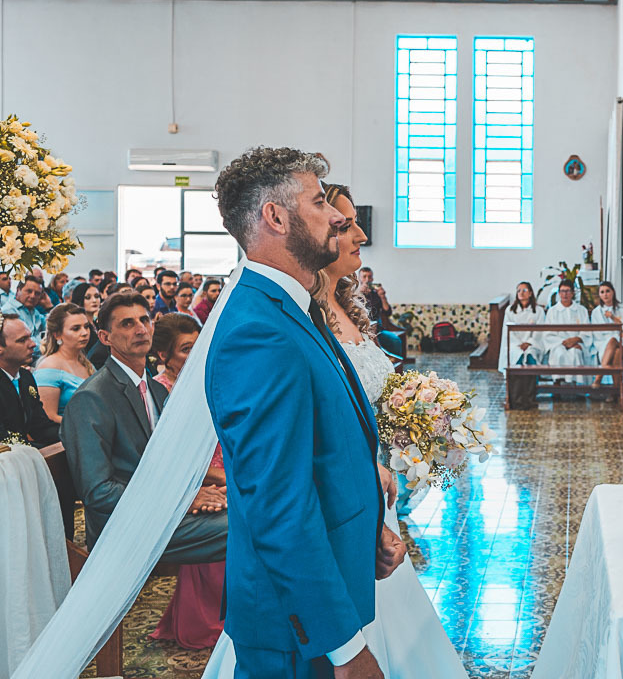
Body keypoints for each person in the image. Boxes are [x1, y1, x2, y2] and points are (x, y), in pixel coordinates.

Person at [205, 180, 465, 677]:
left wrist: (371, 530)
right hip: (297, 627)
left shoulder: (295, 306)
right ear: (276, 218)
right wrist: (346, 650)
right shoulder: (258, 331)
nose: (341, 220)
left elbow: (325, 448)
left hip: (336, 578)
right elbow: (279, 504)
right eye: (320, 203)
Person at [60, 292, 228, 558]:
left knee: (253, 509)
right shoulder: (92, 398)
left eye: (144, 320)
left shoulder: (154, 389)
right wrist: (182, 501)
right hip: (125, 525)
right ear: (105, 337)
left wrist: (203, 488)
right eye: (127, 324)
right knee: (245, 527)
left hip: (160, 509)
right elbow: (99, 493)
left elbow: (168, 461)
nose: (140, 329)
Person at [148, 312, 227, 649]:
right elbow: (172, 454)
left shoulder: (203, 379)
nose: (194, 356)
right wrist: (220, 476)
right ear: (163, 355)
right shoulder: (160, 390)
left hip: (220, 464)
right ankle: (205, 618)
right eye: (184, 350)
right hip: (191, 477)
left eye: (198, 347)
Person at [0, 314, 59, 447]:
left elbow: (40, 426)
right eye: (22, 340)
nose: (33, 344)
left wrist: (70, 435)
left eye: (30, 336)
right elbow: (4, 440)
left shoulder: (26, 377)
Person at [34, 303, 96, 424]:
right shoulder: (49, 367)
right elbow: (49, 417)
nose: (84, 333)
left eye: (86, 326)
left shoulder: (86, 363)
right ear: (57, 334)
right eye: (76, 328)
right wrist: (87, 424)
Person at [500, 281, 544, 407]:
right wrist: (519, 344)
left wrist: (529, 343)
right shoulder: (510, 310)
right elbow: (507, 331)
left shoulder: (538, 311)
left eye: (524, 290)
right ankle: (515, 398)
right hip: (514, 345)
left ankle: (530, 398)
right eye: (519, 290)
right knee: (516, 358)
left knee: (530, 358)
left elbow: (539, 331)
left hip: (532, 344)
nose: (521, 293)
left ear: (530, 293)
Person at [541, 280, 590, 383]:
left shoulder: (581, 310)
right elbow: (548, 334)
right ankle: (558, 383)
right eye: (562, 291)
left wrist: (576, 340)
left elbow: (586, 331)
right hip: (558, 344)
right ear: (559, 293)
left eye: (568, 291)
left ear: (573, 293)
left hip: (576, 344)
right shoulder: (552, 311)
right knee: (559, 353)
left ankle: (576, 385)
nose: (565, 294)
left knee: (575, 353)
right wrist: (564, 342)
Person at [589, 280, 623, 388]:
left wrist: (613, 318)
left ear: (613, 292)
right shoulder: (597, 312)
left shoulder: (622, 309)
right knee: (616, 353)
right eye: (602, 292)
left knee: (613, 340)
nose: (605, 294)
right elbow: (597, 333)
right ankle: (617, 391)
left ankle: (598, 377)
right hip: (604, 343)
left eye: (607, 291)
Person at [3, 275, 47, 362]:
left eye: (37, 293)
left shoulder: (35, 312)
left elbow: (52, 328)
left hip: (39, 358)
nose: (33, 296)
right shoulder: (9, 311)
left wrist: (48, 306)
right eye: (29, 291)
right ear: (18, 290)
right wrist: (48, 348)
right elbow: (22, 344)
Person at [70, 281, 103, 366]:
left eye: (97, 296)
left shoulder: (97, 324)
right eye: (88, 297)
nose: (94, 300)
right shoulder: (77, 326)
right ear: (80, 300)